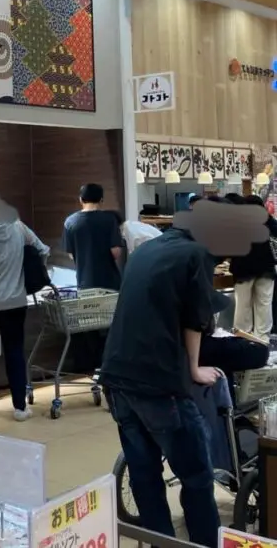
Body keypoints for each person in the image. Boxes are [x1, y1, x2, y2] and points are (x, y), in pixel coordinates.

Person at [99, 225, 222, 547]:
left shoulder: (146, 249)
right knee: (196, 476)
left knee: (144, 476)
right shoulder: (197, 254)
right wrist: (194, 369)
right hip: (158, 383)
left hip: (116, 374)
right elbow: (196, 319)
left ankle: (160, 543)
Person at [0, 219, 50, 421]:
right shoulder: (18, 226)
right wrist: (30, 273)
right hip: (16, 301)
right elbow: (42, 249)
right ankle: (20, 408)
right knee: (15, 352)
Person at [230, 194, 277, 339]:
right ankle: (262, 339)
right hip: (266, 268)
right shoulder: (266, 220)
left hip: (243, 268)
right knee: (264, 304)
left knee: (243, 305)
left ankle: (243, 338)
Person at [63, 184, 123, 291]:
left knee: (88, 302)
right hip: (109, 282)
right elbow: (116, 252)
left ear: (81, 200)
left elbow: (71, 254)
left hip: (84, 282)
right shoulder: (110, 219)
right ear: (101, 200)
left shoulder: (70, 222)